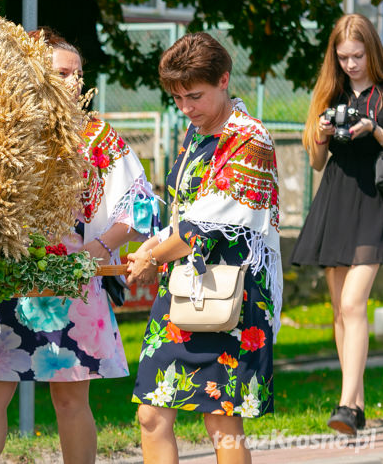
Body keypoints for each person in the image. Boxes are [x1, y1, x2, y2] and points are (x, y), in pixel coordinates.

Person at [0, 29, 156, 464]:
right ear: (33, 74)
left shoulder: (96, 135)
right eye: (63, 73)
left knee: (70, 400)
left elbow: (141, 206)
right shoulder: (5, 132)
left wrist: (99, 247)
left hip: (73, 277)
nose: (74, 83)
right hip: (11, 275)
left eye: (79, 74)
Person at [127, 32, 281, 463]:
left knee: (222, 421)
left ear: (224, 81)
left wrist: (152, 255)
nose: (185, 108)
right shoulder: (195, 137)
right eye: (176, 99)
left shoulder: (251, 140)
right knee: (151, 415)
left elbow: (204, 226)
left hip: (231, 295)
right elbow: (181, 216)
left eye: (194, 96)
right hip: (184, 286)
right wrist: (152, 247)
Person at [290, 13, 383, 435]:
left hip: (375, 201)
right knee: (339, 311)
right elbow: (315, 161)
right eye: (343, 57)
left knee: (353, 304)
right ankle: (357, 405)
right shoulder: (331, 93)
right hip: (336, 197)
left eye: (358, 56)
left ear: (372, 51)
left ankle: (346, 403)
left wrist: (375, 129)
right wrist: (323, 135)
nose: (350, 64)